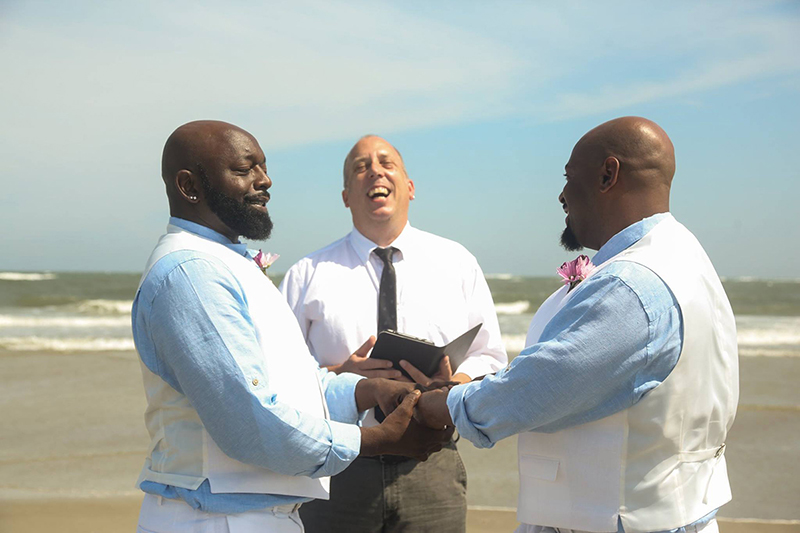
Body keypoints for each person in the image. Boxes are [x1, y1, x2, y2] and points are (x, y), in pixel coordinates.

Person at [415, 117, 739, 533]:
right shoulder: (682, 257)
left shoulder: (632, 284)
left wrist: (439, 405)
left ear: (607, 175)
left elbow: (543, 386)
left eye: (569, 177)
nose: (562, 195)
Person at [132, 120, 452, 532]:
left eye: (263, 168)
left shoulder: (229, 263)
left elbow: (295, 385)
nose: (264, 181)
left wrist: (366, 391)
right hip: (214, 519)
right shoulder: (191, 273)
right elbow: (249, 421)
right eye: (244, 169)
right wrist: (376, 440)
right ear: (189, 186)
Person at [280, 135, 508, 532]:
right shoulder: (307, 274)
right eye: (360, 167)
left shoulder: (456, 262)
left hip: (431, 460)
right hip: (337, 465)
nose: (374, 171)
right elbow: (280, 375)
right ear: (346, 196)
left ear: (410, 187)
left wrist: (450, 386)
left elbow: (489, 356)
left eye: (387, 163)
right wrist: (341, 376)